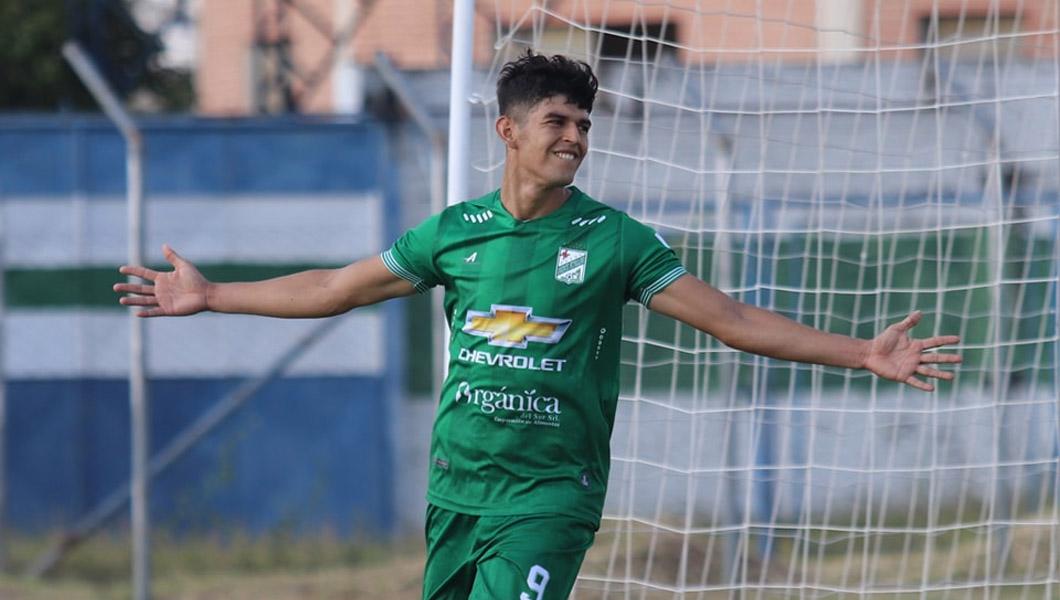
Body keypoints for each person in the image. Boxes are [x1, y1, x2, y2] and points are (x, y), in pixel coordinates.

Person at [114, 51, 962, 600]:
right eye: (559, 121)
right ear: (509, 130)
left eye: (584, 125)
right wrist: (213, 294)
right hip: (457, 492)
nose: (576, 138)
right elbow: (336, 286)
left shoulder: (616, 241)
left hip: (551, 498)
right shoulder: (453, 234)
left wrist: (862, 351)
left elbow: (731, 319)